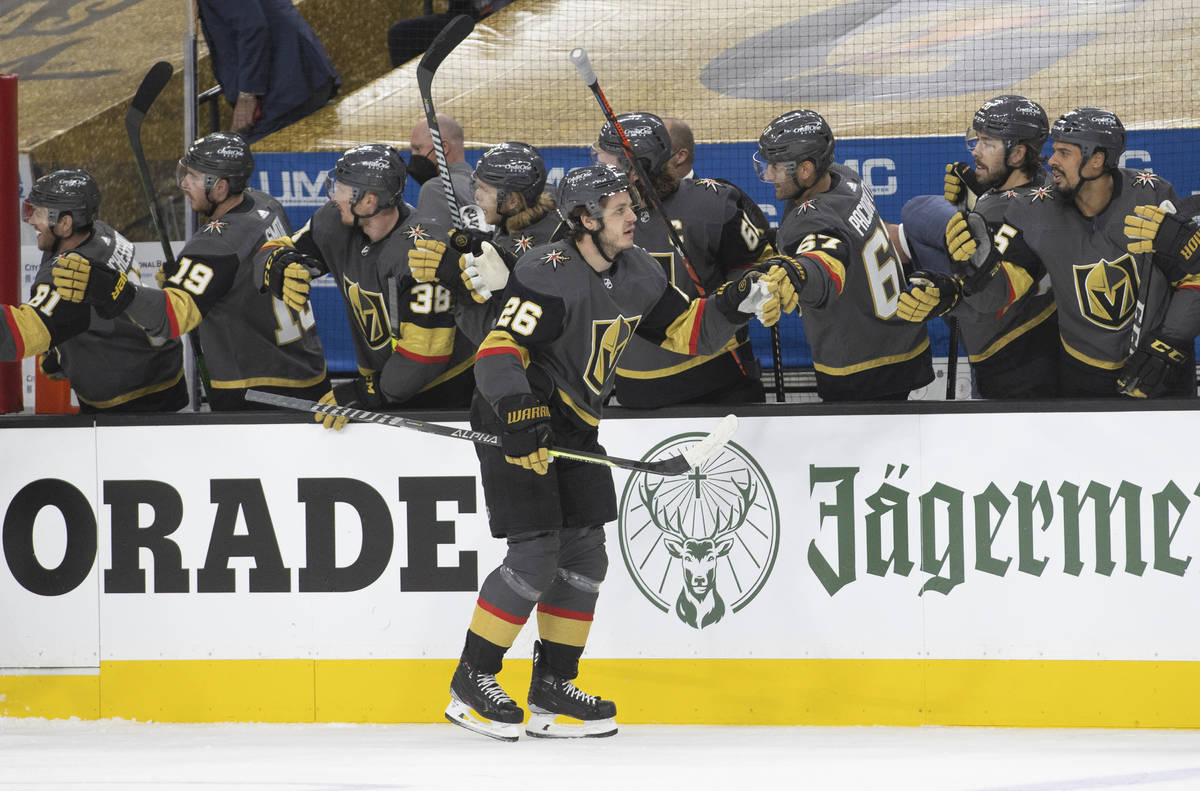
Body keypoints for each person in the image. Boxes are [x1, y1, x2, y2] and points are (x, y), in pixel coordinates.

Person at [443, 164, 790, 742]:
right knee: (535, 555)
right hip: (520, 417)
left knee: (584, 557)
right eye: (620, 210)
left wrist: (737, 304)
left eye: (632, 206)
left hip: (575, 427)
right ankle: (471, 679)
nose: (635, 217)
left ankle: (553, 687)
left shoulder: (635, 271)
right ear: (583, 220)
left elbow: (685, 331)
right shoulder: (546, 272)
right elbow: (498, 351)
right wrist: (521, 416)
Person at [53, 132, 329, 411]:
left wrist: (117, 291)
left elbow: (170, 319)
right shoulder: (267, 204)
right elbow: (247, 275)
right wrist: (194, 283)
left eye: (194, 176)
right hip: (309, 373)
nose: (184, 183)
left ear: (220, 187)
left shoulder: (215, 244)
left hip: (257, 390)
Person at [936, 108, 1199, 398]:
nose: (1052, 161)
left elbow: (1192, 277)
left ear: (1096, 160)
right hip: (1085, 381)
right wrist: (974, 269)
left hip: (1161, 374)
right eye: (1053, 150)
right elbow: (1003, 290)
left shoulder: (1152, 196)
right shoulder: (1032, 211)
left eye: (1064, 152)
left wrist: (1170, 345)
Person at [258, 143, 476, 427]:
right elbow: (279, 248)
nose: (333, 196)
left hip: (445, 395)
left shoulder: (423, 252)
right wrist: (276, 267)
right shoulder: (334, 222)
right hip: (387, 384)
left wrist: (364, 393)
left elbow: (426, 356)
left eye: (341, 188)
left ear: (369, 200)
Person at [591, 111, 775, 407]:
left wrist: (738, 296)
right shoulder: (714, 201)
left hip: (700, 383)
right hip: (646, 389)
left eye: (607, 156)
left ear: (636, 168)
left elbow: (761, 269)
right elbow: (761, 263)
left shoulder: (592, 221)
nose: (598, 161)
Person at [754, 109, 935, 401]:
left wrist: (797, 274)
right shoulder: (846, 178)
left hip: (859, 366)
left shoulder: (809, 221)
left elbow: (823, 264)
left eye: (776, 166)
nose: (768, 174)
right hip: (905, 340)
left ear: (806, 169)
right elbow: (842, 238)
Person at [892, 95, 1058, 398]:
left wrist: (951, 295)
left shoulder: (1020, 213)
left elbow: (991, 297)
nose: (976, 152)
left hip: (1015, 377)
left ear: (1018, 153)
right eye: (976, 140)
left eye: (988, 143)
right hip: (1022, 360)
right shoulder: (1040, 184)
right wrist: (976, 200)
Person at [8, 170, 186, 412]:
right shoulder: (101, 231)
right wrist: (62, 354)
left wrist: (57, 354)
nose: (29, 220)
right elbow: (91, 314)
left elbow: (18, 335)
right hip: (165, 368)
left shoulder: (68, 274)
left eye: (37, 213)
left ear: (65, 223)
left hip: (124, 395)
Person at [196, 0, 340, 142]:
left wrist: (248, 94)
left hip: (285, 89)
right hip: (300, 76)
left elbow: (252, 27)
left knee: (251, 158)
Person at [472, 141, 562, 259]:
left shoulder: (516, 257)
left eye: (485, 189)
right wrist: (485, 239)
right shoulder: (539, 194)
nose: (476, 196)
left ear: (513, 201)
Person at [386, 0, 515, 67]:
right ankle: (412, 95)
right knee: (399, 34)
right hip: (466, 18)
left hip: (509, 18)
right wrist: (473, 14)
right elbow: (458, 10)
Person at [410, 115, 476, 230]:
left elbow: (432, 242)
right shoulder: (482, 185)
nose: (413, 156)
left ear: (443, 147)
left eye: (418, 149)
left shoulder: (436, 188)